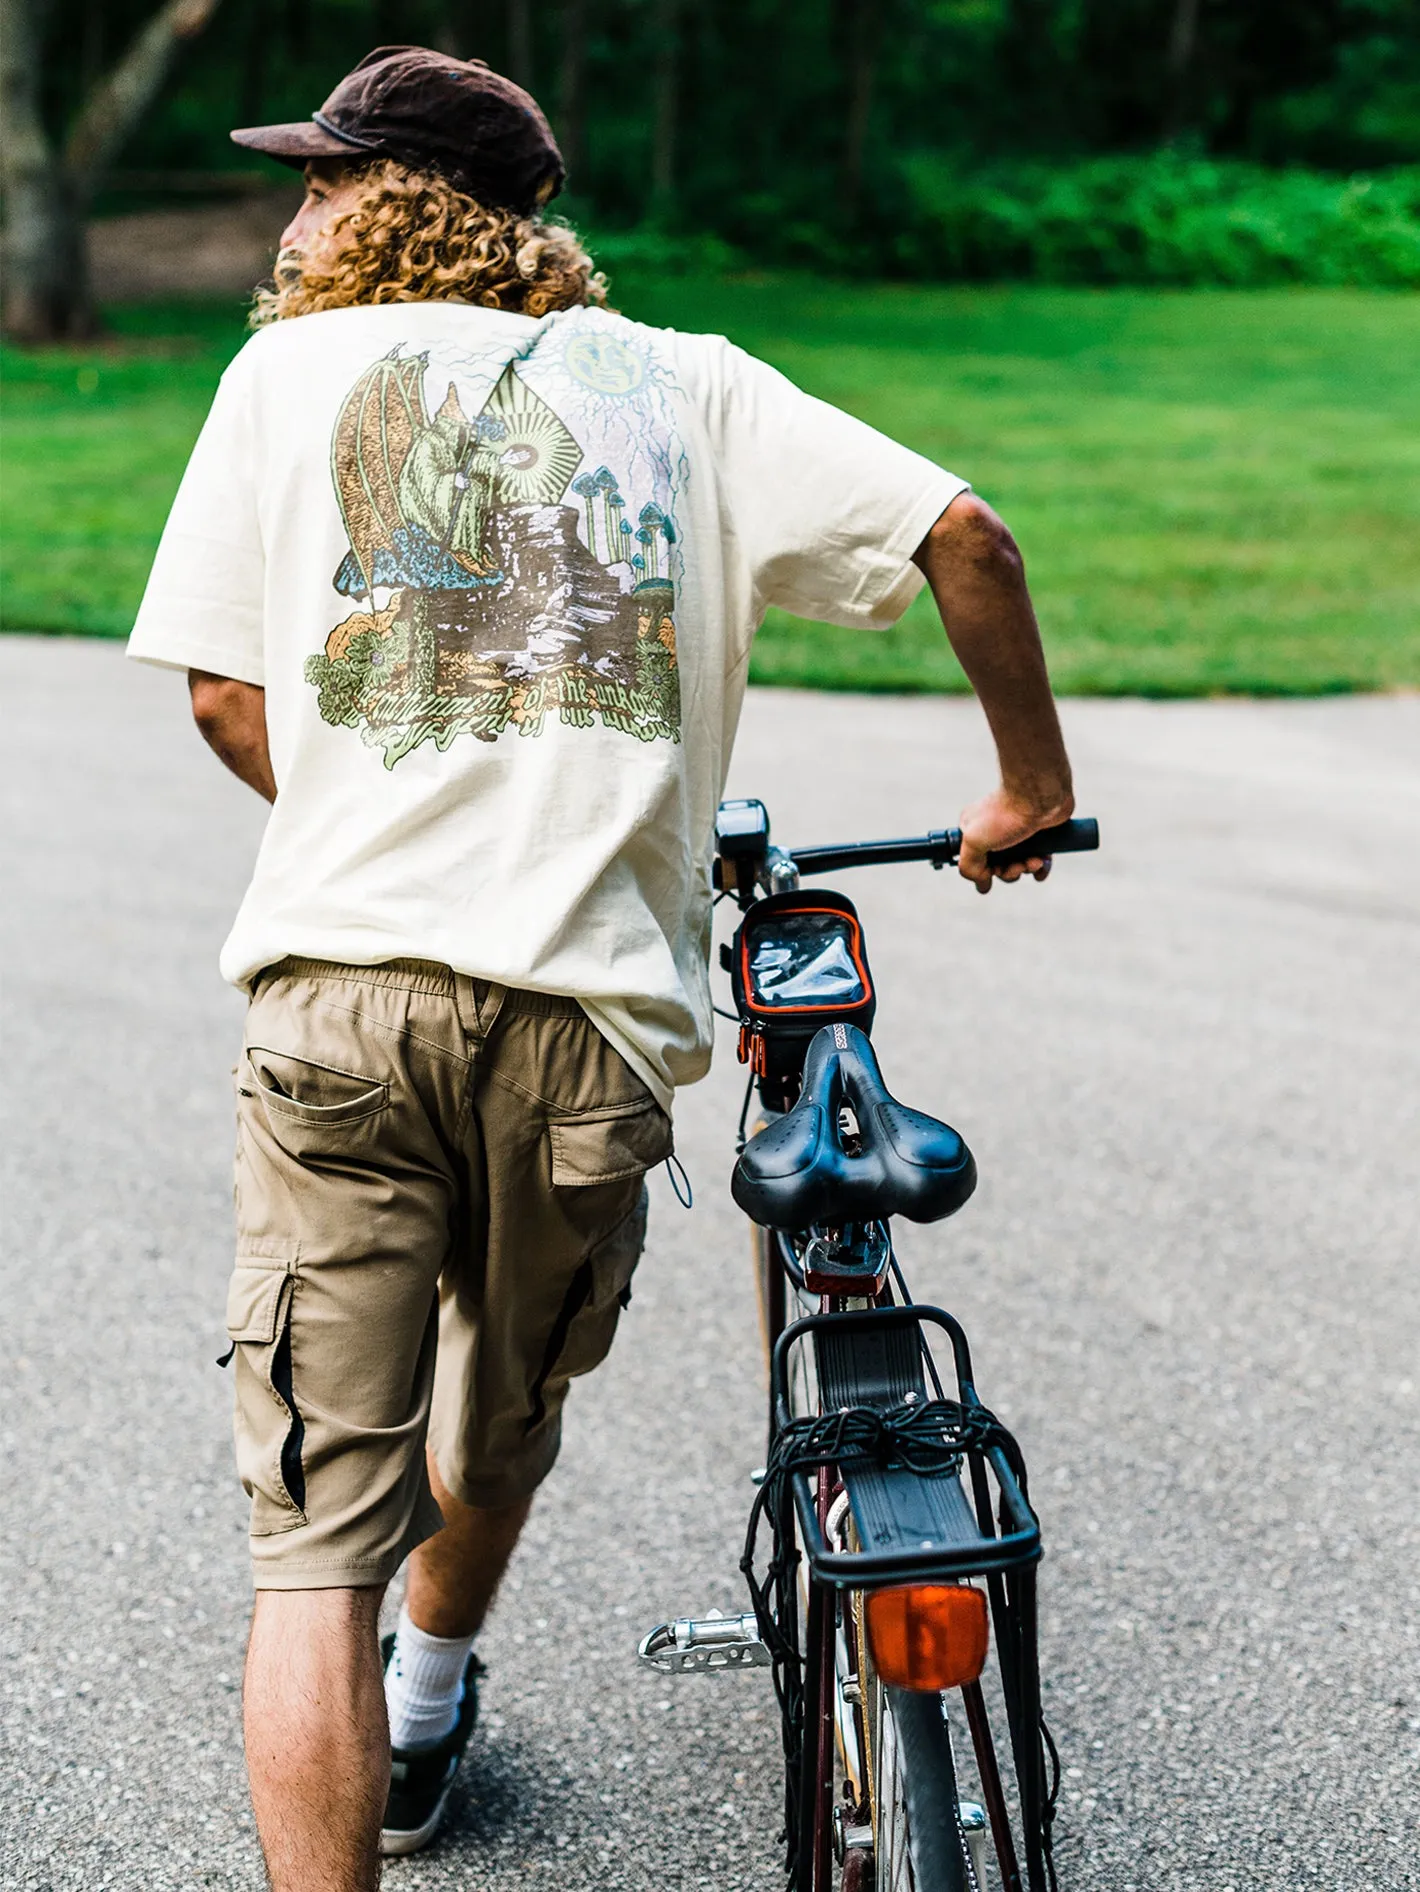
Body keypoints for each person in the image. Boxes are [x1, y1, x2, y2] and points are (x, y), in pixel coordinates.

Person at [128, 44, 1075, 1892]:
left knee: (309, 1542)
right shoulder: (689, 390)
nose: (296, 210)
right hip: (587, 1023)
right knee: (505, 1411)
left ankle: (383, 1724)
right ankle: (428, 1700)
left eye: (323, 179)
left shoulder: (283, 373)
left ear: (393, 199)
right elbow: (965, 535)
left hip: (343, 1002)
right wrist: (1028, 788)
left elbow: (232, 697)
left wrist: (364, 813)